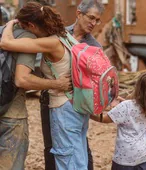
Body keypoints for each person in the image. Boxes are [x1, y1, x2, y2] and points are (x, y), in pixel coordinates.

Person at [0, 2, 95, 169]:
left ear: (31, 25)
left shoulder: (50, 42)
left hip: (63, 107)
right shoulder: (66, 35)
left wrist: (9, 25)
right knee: (78, 155)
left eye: (24, 26)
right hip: (77, 104)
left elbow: (6, 43)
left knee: (66, 159)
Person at [39, 0, 105, 170]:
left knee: (76, 148)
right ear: (78, 13)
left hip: (74, 106)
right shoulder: (58, 34)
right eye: (91, 17)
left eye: (97, 20)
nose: (93, 23)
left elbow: (97, 83)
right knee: (51, 147)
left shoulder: (93, 47)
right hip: (49, 99)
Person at [91, 70, 146, 170]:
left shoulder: (126, 107)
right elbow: (135, 109)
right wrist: (122, 104)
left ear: (138, 88)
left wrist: (88, 114)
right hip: (145, 154)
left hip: (126, 157)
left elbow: (104, 119)